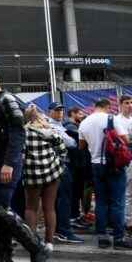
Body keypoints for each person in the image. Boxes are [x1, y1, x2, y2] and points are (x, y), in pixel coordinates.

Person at [0, 64, 49, 262]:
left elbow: (18, 134)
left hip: (4, 164)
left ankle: (36, 247)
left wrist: (9, 164)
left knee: (0, 208)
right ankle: (2, 254)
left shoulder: (7, 100)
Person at [78, 98, 132, 250]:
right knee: (117, 202)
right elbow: (125, 140)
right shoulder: (112, 119)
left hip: (96, 165)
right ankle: (118, 238)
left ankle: (102, 237)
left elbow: (81, 145)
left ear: (94, 107)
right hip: (114, 165)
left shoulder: (84, 122)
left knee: (101, 202)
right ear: (108, 107)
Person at [23, 106, 66, 253]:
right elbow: (62, 149)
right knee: (49, 208)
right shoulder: (49, 131)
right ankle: (49, 242)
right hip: (52, 174)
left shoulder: (23, 133)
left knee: (31, 208)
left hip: (31, 175)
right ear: (40, 117)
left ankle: (32, 243)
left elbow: (19, 155)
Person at [45, 102, 83, 245]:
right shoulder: (52, 126)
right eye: (57, 110)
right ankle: (64, 231)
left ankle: (57, 230)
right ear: (49, 112)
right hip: (59, 165)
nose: (60, 113)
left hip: (56, 165)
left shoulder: (59, 125)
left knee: (56, 201)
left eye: (61, 110)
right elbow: (71, 143)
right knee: (63, 200)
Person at [116, 95, 132, 230]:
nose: (130, 105)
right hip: (128, 160)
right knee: (130, 193)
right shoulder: (117, 120)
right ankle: (130, 222)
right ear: (120, 105)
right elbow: (125, 141)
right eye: (127, 103)